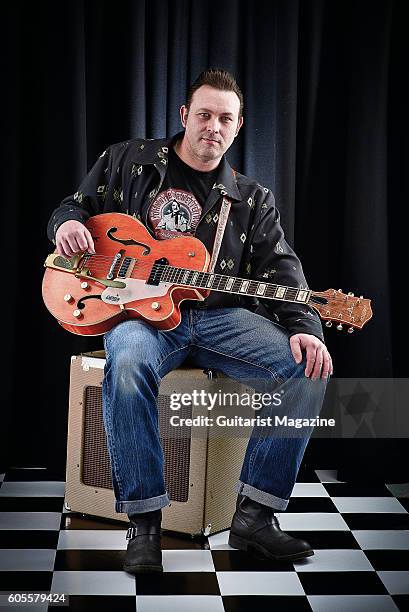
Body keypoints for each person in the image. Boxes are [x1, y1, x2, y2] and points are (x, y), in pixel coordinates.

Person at [47, 69, 332, 573]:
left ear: (238, 126)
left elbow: (284, 272)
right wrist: (67, 223)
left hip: (219, 320)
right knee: (129, 361)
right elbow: (75, 205)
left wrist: (307, 326)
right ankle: (144, 523)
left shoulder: (251, 199)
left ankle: (255, 517)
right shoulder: (127, 161)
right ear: (184, 116)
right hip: (141, 316)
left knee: (306, 367)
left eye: (225, 118)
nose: (213, 127)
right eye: (204, 115)